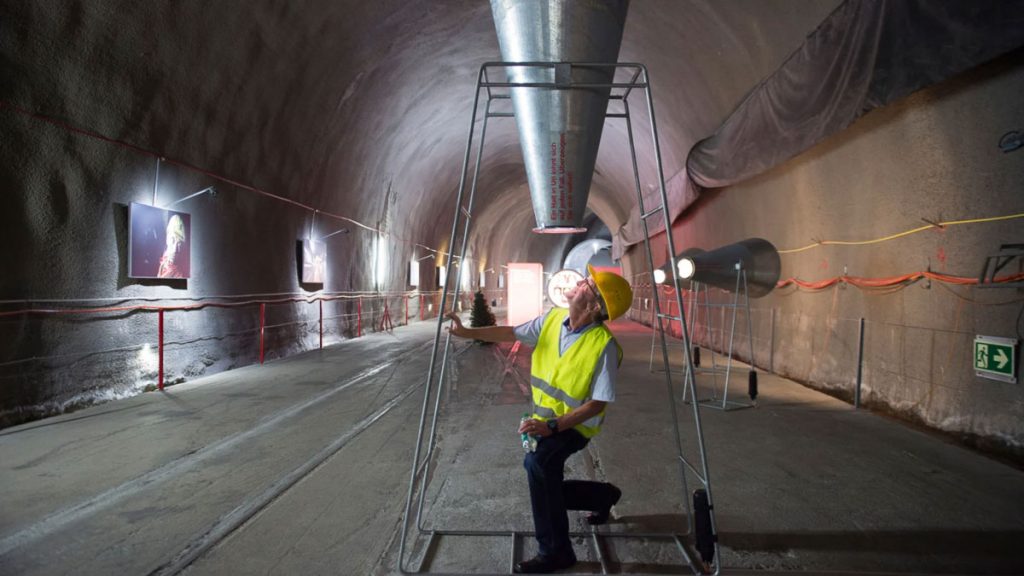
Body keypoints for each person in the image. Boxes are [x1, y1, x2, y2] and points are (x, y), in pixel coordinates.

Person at [447, 264, 633, 574]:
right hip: (544, 418)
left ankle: (556, 552)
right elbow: (511, 332)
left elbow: (596, 404)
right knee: (545, 478)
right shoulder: (553, 319)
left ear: (595, 305)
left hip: (575, 425)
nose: (579, 281)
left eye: (588, 283)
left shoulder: (604, 347)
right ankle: (603, 496)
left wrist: (552, 427)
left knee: (539, 465)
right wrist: (467, 333)